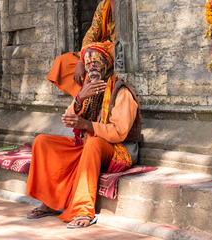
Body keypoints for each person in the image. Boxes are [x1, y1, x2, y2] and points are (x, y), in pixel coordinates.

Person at [26, 42, 141, 228]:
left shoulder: (121, 91)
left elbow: (119, 132)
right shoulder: (87, 87)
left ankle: (83, 211)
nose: (92, 68)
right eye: (88, 64)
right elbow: (70, 116)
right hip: (86, 144)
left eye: (96, 62)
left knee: (94, 143)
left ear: (108, 64)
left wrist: (87, 125)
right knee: (42, 142)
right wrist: (80, 97)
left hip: (116, 149)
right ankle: (49, 201)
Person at [47, 0, 116, 97]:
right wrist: (81, 61)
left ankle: (88, 96)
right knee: (62, 62)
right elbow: (91, 34)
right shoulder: (103, 6)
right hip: (97, 50)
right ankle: (82, 94)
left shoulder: (128, 5)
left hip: (114, 51)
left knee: (95, 63)